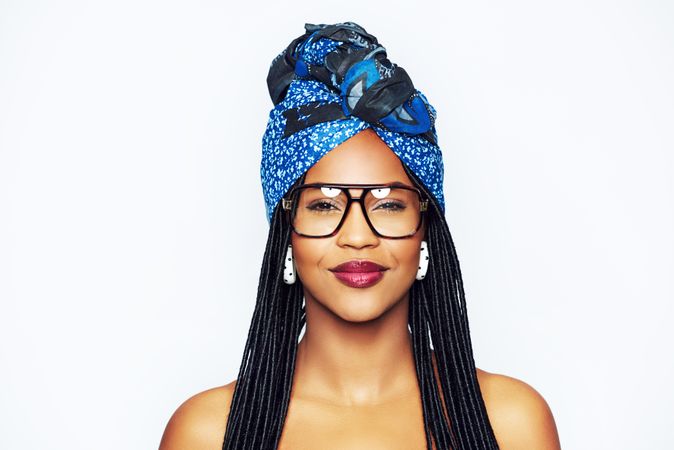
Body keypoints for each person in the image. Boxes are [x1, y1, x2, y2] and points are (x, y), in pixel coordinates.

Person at [159, 22, 561, 449]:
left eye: (388, 204)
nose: (356, 236)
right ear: (287, 232)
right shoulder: (206, 433)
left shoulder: (511, 423)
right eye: (323, 204)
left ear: (425, 228)